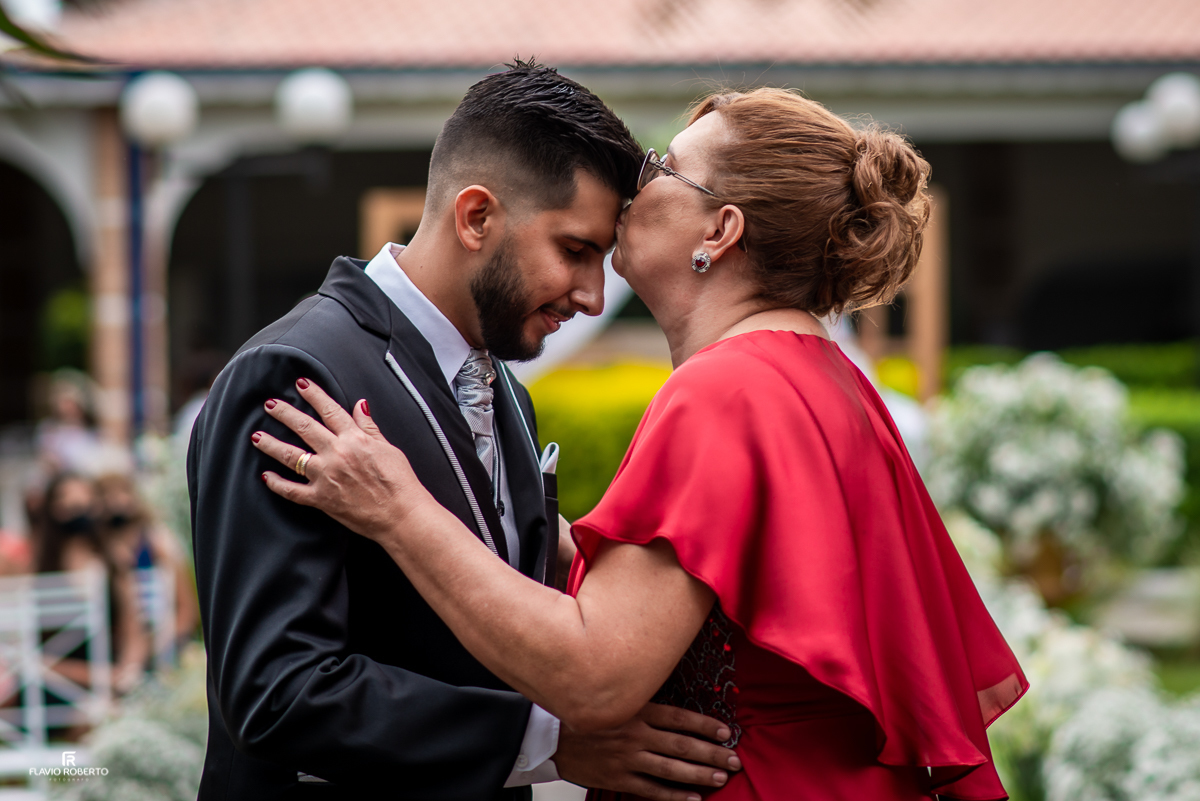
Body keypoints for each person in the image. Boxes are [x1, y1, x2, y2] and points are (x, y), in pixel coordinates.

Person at [254, 88, 1028, 800]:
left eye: (667, 165)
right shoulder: (823, 376)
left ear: (720, 231)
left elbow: (595, 678)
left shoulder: (723, 390)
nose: (639, 180)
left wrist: (398, 508)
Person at [189, 61, 742, 801]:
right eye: (574, 251)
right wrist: (549, 741)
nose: (591, 294)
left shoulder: (507, 389)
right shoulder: (293, 374)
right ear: (476, 216)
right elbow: (278, 690)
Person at [35, 473, 149, 697]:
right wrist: (99, 676)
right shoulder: (38, 567)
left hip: (111, 668)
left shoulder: (113, 560)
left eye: (84, 495)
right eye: (65, 497)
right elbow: (30, 655)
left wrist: (128, 672)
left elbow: (133, 626)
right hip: (53, 679)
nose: (77, 504)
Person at [96, 472, 200, 653]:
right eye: (106, 495)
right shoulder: (98, 546)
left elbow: (187, 609)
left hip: (161, 637)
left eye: (121, 493)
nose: (114, 502)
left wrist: (163, 642)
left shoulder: (157, 541)